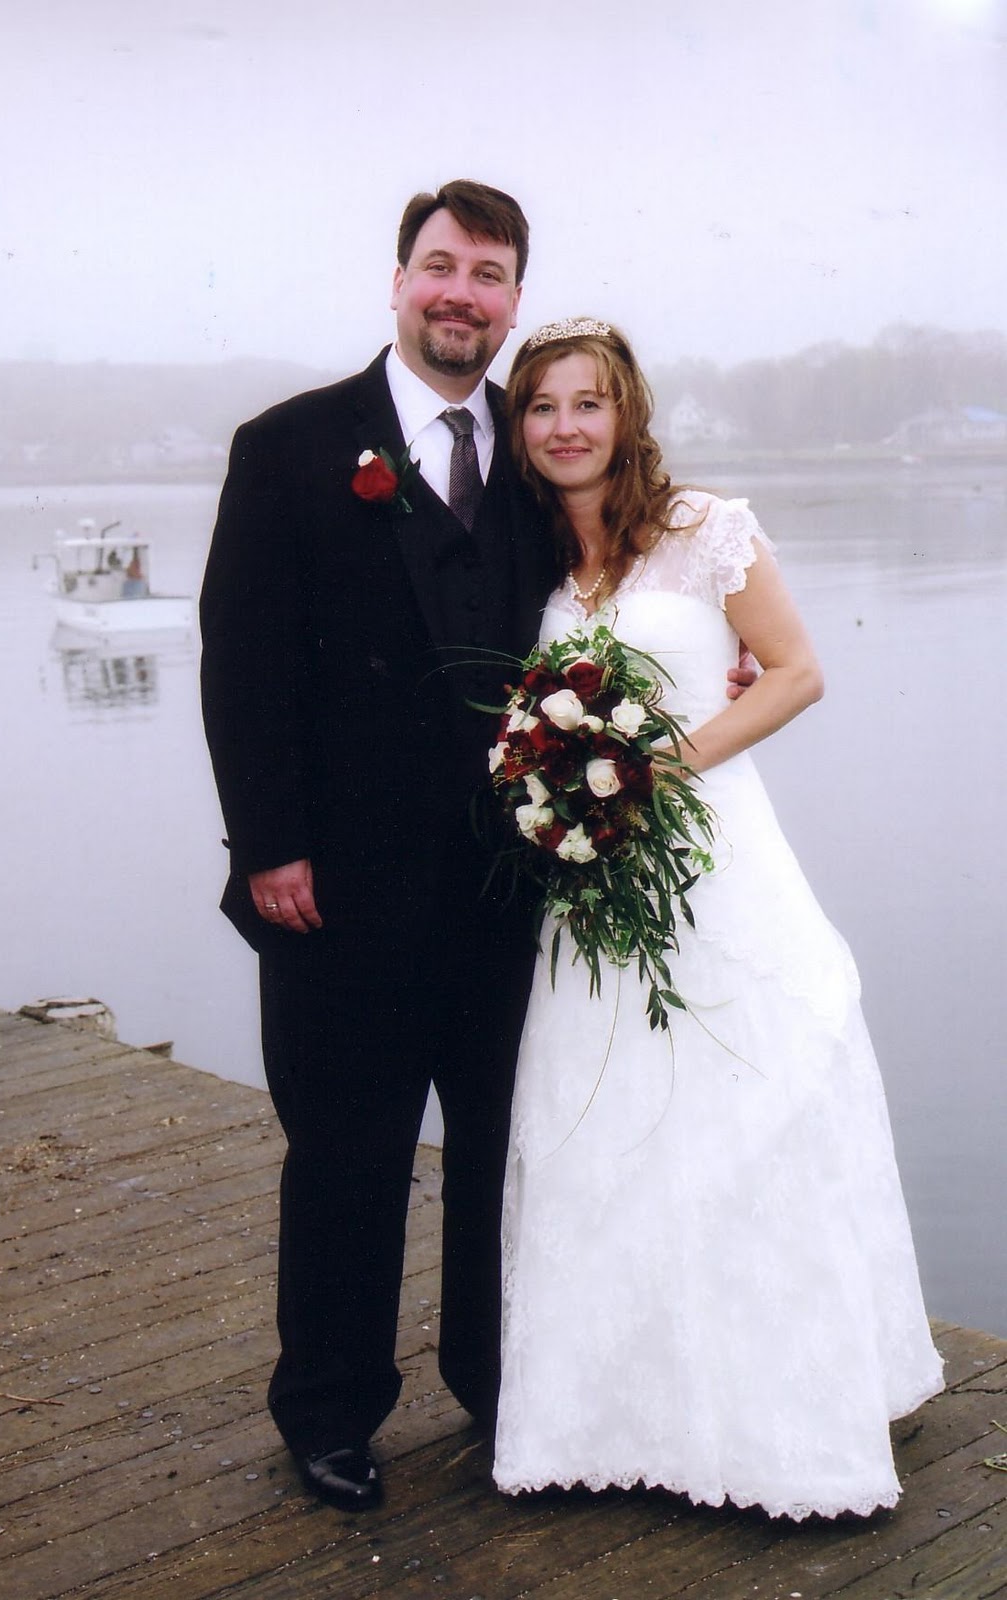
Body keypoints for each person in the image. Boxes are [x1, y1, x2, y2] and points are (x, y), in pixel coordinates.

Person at [200, 189, 753, 1514]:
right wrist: (270, 845)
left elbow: (614, 593)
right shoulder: (287, 447)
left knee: (509, 1151)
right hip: (331, 890)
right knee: (344, 1155)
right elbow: (243, 662)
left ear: (510, 299)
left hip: (516, 892)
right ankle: (329, 1415)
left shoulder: (533, 454)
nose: (461, 293)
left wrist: (700, 665)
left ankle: (500, 1390)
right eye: (439, 267)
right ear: (398, 282)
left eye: (488, 274)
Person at [492, 318, 944, 1520]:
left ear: (626, 414)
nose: (567, 426)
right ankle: (617, 1420)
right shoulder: (529, 553)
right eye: (543, 406)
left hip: (712, 858)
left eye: (589, 403)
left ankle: (776, 1424)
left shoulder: (704, 530)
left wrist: (659, 770)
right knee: (606, 1127)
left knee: (747, 1114)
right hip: (593, 892)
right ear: (521, 426)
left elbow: (795, 670)